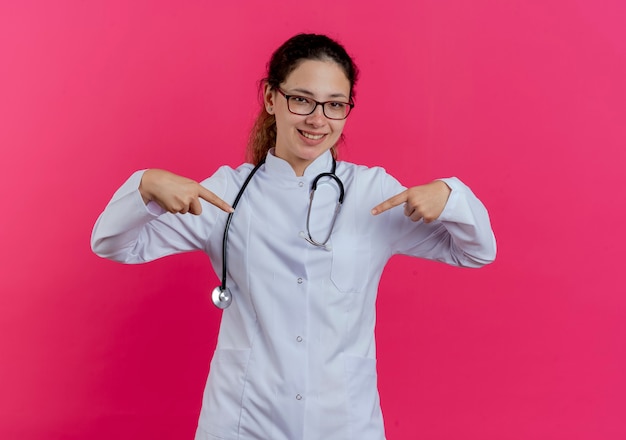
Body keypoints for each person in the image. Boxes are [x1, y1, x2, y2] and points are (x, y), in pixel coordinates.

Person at [91, 33, 496, 440]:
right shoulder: (226, 193)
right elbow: (112, 244)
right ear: (271, 99)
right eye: (302, 99)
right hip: (243, 418)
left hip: (344, 419)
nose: (317, 119)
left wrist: (451, 196)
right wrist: (144, 185)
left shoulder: (373, 193)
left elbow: (476, 252)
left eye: (335, 105)